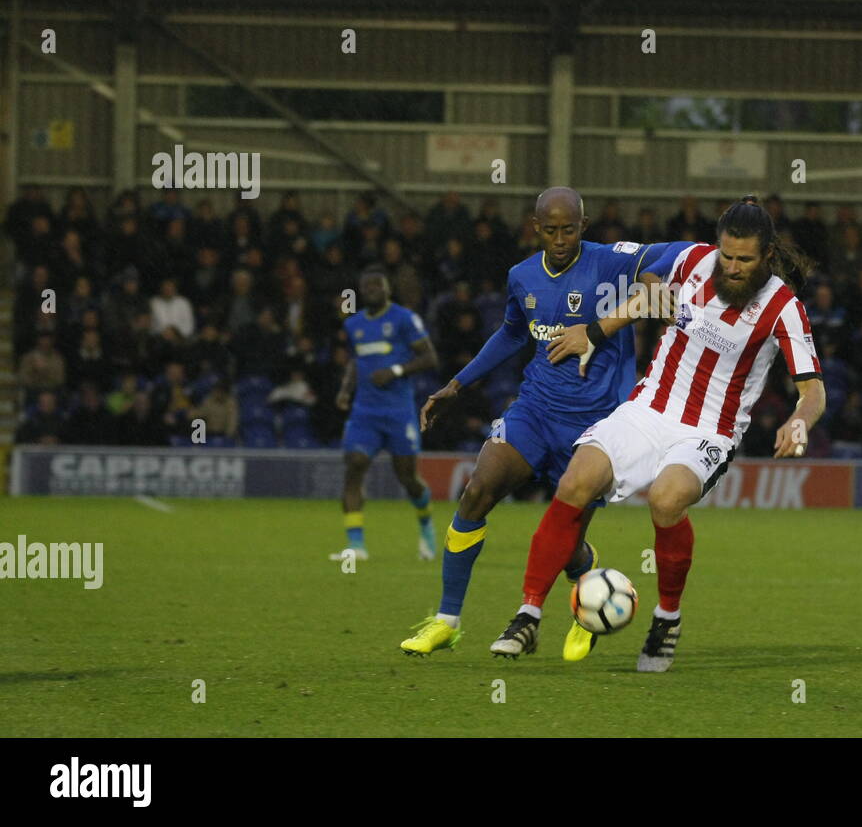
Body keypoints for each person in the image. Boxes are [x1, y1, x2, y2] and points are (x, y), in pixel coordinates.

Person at [489, 195, 824, 672]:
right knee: (575, 482)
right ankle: (527, 615)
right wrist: (597, 329)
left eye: (743, 260)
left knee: (666, 500)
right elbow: (645, 283)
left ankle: (667, 618)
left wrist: (798, 421)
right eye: (726, 255)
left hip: (709, 429)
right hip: (648, 409)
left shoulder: (783, 308)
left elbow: (813, 391)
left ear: (767, 256)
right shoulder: (692, 259)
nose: (730, 267)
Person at [400, 187, 688, 660]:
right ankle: (447, 621)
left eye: (569, 229)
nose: (559, 239)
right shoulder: (522, 276)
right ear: (535, 228)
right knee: (477, 490)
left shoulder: (611, 264)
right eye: (550, 230)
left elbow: (672, 254)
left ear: (584, 225)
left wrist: (713, 248)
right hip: (534, 410)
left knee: (567, 542)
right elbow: (513, 333)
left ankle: (585, 596)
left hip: (597, 428)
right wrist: (459, 383)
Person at [330, 266, 440, 562]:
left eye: (378, 286)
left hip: (397, 411)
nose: (372, 291)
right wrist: (345, 390)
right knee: (355, 465)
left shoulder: (404, 319)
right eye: (366, 287)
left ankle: (427, 527)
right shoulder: (354, 325)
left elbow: (430, 357)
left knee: (407, 477)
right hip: (364, 411)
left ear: (387, 288)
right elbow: (357, 361)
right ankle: (356, 546)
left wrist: (396, 370)